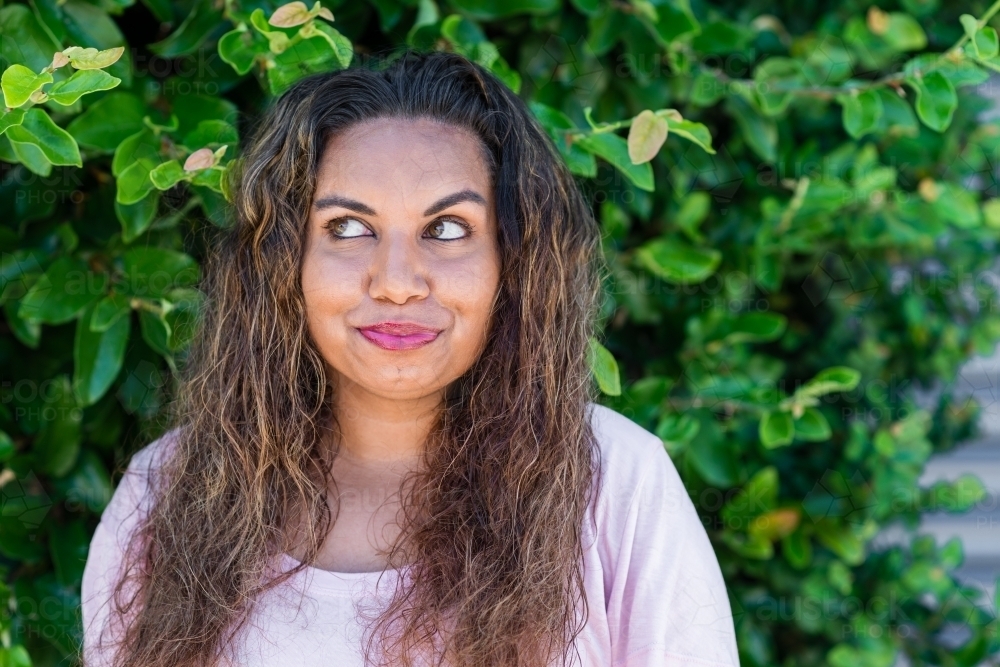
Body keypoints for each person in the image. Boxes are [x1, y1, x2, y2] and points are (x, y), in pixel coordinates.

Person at [80, 49, 739, 667]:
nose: (396, 280)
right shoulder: (165, 491)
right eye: (347, 228)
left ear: (510, 262)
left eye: (447, 229)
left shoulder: (618, 487)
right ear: (286, 263)